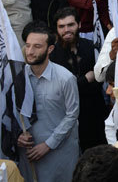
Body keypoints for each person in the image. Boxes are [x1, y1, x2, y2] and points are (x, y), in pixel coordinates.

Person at [18, 21, 80, 182]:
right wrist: (17, 135)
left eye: (37, 46)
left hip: (60, 154)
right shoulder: (18, 77)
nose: (30, 52)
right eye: (28, 45)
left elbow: (72, 115)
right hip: (29, 153)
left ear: (50, 49)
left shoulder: (65, 78)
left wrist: (48, 144)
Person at [49, 7, 108, 150]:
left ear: (79, 25)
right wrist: (85, 80)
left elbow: (99, 80)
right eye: (61, 26)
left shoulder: (90, 48)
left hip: (94, 112)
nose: (66, 30)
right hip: (66, 116)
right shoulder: (52, 55)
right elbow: (58, 89)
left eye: (71, 25)